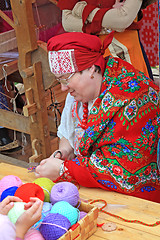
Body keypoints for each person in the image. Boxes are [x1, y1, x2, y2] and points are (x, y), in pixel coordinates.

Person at [35, 32, 160, 203]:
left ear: (91, 69)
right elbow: (68, 134)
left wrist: (64, 169)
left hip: (139, 199)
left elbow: (126, 170)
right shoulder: (79, 94)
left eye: (66, 78)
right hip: (96, 190)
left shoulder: (133, 96)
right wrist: (63, 152)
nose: (63, 88)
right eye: (59, 80)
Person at [57, 0, 157, 80]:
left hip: (128, 53)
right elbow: (68, 22)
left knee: (138, 98)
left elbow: (123, 19)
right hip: (93, 59)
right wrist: (108, 26)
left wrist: (82, 10)